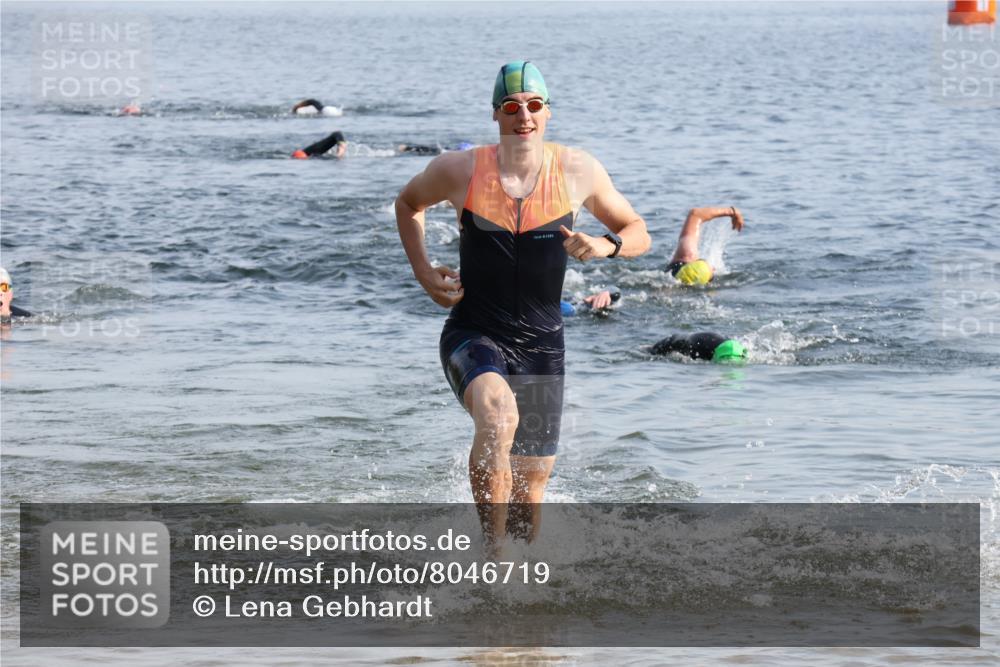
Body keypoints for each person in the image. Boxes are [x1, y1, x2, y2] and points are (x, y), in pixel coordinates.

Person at [395, 61, 651, 550]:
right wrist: (424, 272)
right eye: (511, 107)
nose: (524, 116)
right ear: (496, 115)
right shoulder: (460, 169)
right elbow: (408, 204)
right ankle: (491, 562)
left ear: (548, 112)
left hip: (542, 343)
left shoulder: (579, 170)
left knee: (529, 495)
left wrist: (606, 246)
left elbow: (638, 231)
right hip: (474, 332)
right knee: (498, 416)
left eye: (533, 106)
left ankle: (521, 586)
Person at [584, 205, 746, 308]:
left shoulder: (685, 256)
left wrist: (731, 212)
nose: (713, 267)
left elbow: (695, 214)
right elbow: (695, 213)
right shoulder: (679, 289)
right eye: (711, 271)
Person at [651, 332, 747, 363]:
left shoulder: (741, 351)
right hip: (685, 339)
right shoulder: (699, 352)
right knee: (653, 351)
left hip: (719, 342)